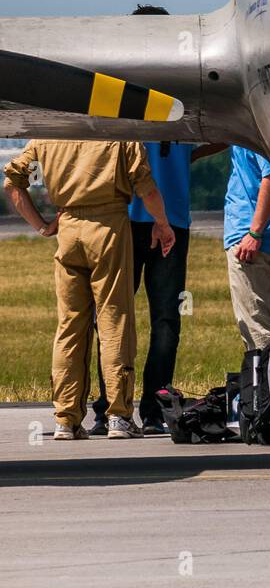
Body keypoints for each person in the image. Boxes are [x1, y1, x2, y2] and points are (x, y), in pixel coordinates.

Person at [88, 4, 226, 437]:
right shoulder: (183, 90)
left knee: (112, 316)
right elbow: (222, 133)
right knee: (166, 317)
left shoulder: (118, 88)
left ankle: (111, 406)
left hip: (124, 216)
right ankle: (154, 406)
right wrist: (185, 157)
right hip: (174, 219)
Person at [4, 139, 175, 440]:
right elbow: (146, 190)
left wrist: (42, 226)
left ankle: (65, 419)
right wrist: (162, 222)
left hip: (68, 228)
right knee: (114, 320)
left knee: (70, 326)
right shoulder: (119, 135)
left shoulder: (46, 138)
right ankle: (119, 416)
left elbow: (12, 184)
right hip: (109, 228)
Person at [224, 147, 270, 350]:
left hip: (247, 236)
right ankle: (264, 375)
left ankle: (269, 377)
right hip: (246, 232)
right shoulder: (244, 133)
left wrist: (254, 232)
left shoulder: (255, 135)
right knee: (253, 319)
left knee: (256, 324)